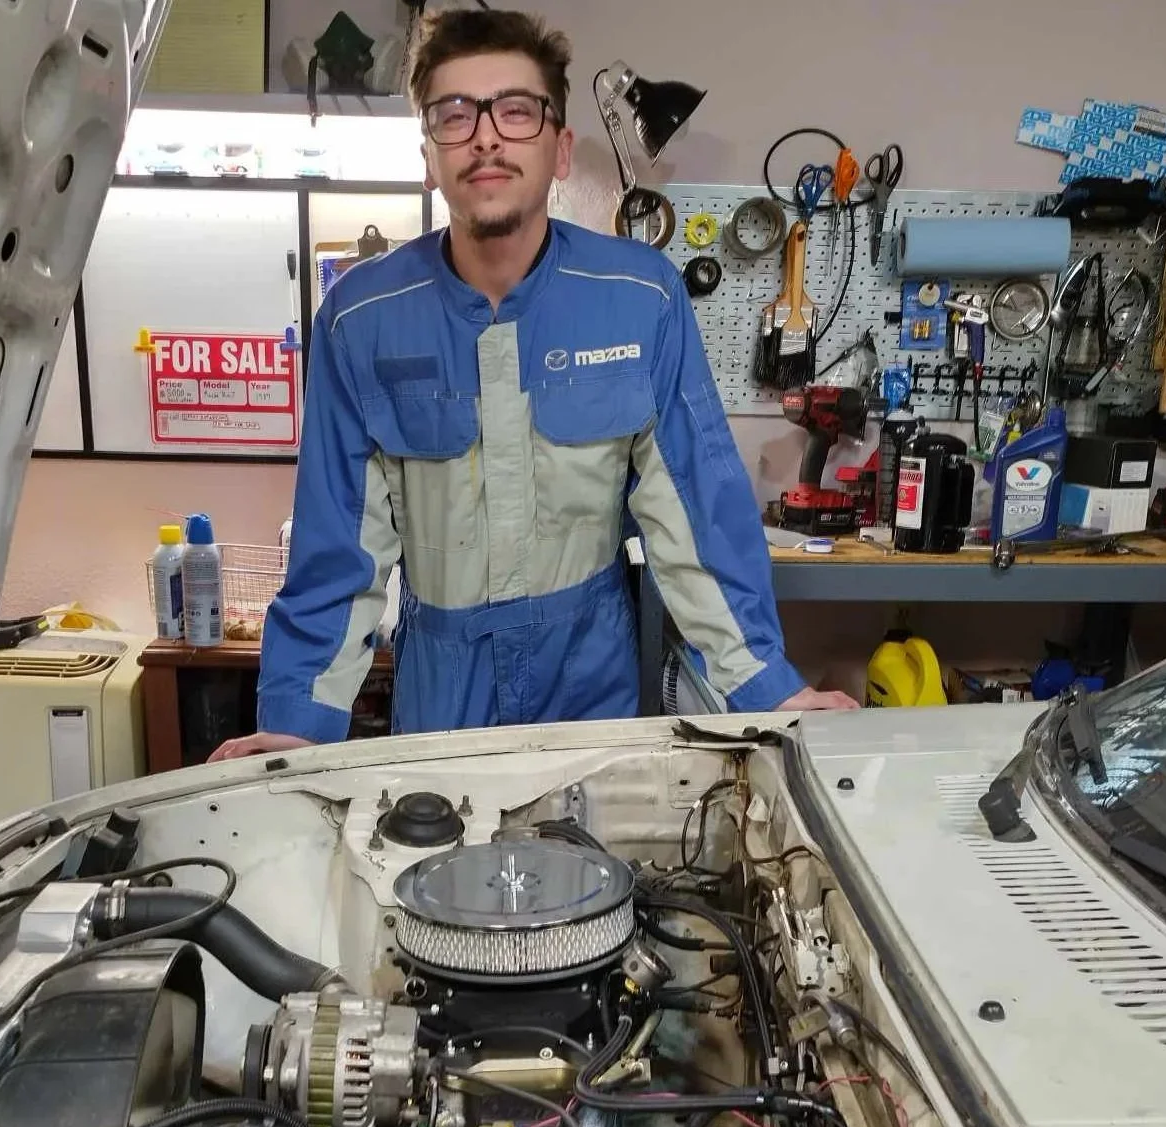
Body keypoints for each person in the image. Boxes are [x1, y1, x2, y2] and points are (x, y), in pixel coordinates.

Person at [210, 9, 856, 762]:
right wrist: (295, 724)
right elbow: (338, 549)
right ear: (429, 155)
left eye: (515, 110)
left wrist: (768, 689)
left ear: (559, 149)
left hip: (590, 682)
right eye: (454, 113)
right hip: (440, 691)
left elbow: (696, 521)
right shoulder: (361, 319)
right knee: (431, 868)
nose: (485, 135)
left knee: (598, 870)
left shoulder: (640, 299)